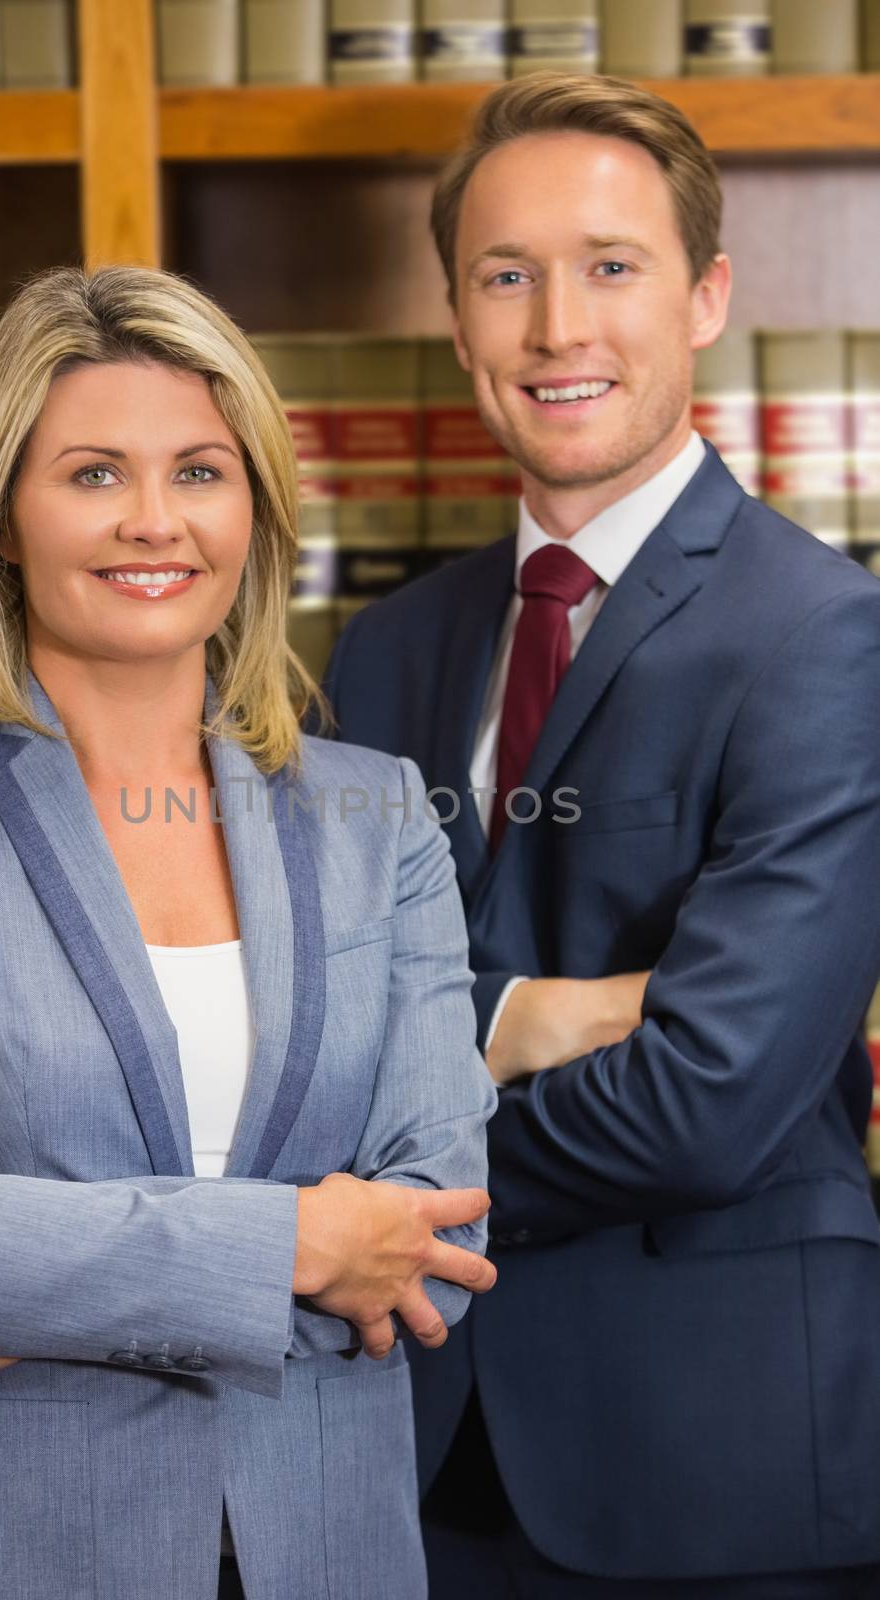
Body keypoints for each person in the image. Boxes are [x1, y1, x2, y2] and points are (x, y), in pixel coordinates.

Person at [0, 264, 499, 1600]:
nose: (152, 522)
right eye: (91, 475)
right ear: (3, 516)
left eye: (198, 472)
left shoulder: (380, 815)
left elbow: (437, 1254)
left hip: (324, 1545)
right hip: (2, 1547)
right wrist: (293, 1245)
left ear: (255, 508)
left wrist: (43, 1299)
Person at [324, 71, 880, 1598]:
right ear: (457, 318)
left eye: (610, 268)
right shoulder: (386, 652)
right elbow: (320, 1024)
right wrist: (513, 1023)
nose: (558, 326)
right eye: (508, 276)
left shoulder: (828, 638)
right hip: (412, 1459)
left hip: (717, 1466)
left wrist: (368, 1208)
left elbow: (714, 1095)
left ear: (705, 297)